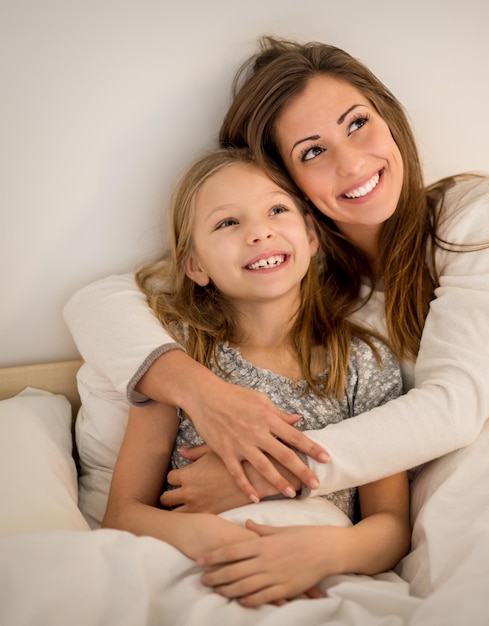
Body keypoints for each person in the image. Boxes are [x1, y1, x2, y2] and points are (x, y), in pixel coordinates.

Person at [64, 35, 489, 513]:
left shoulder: (474, 215)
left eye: (358, 123)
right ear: (287, 184)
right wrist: (204, 395)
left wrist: (273, 471)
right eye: (312, 152)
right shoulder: (292, 272)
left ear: (389, 116)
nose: (352, 163)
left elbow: (455, 406)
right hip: (437, 500)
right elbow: (99, 303)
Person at [101, 146, 410, 607]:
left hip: (319, 576)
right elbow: (122, 515)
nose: (259, 232)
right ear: (195, 265)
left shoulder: (365, 364)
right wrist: (205, 537)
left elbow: (390, 527)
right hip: (200, 572)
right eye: (228, 223)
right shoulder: (179, 359)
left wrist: (325, 552)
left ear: (309, 234)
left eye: (277, 210)